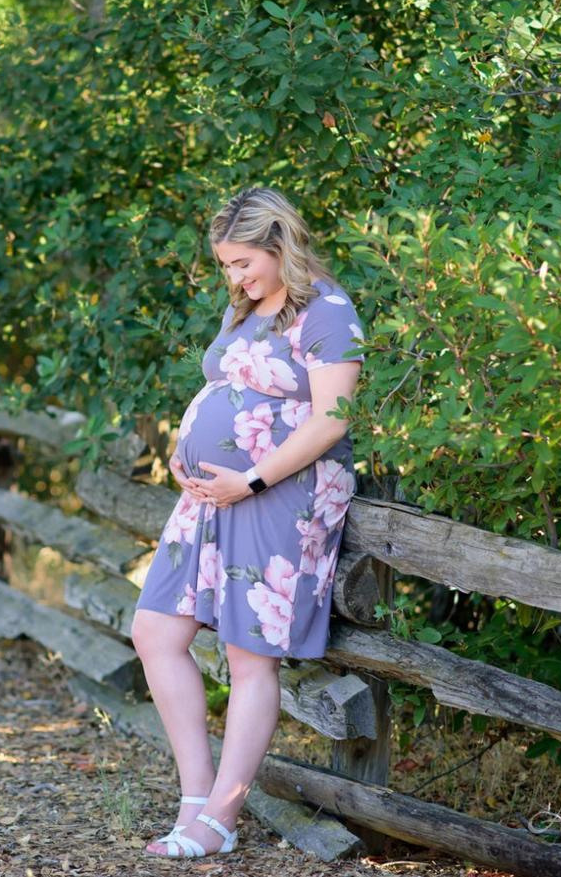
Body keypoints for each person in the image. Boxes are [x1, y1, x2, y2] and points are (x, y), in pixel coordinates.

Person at [130, 186, 365, 858]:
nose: (234, 278)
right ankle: (195, 799)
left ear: (279, 243)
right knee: (154, 630)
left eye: (243, 263)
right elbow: (222, 387)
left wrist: (252, 477)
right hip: (212, 497)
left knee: (248, 654)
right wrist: (185, 454)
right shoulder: (246, 308)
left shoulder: (329, 311)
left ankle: (219, 820)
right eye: (226, 266)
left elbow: (333, 419)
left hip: (279, 495)